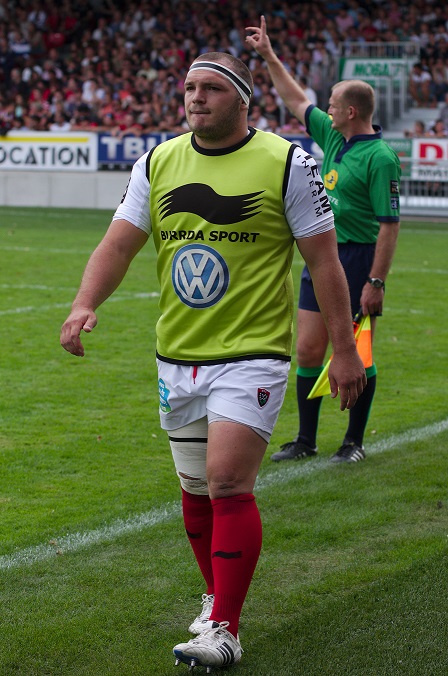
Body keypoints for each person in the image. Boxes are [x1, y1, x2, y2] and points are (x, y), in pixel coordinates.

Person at [60, 51, 366, 671]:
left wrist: (341, 348)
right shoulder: (159, 160)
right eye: (189, 88)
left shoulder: (287, 162)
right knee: (195, 491)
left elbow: (324, 262)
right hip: (178, 352)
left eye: (210, 89)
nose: (195, 98)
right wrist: (84, 303)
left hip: (251, 353)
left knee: (227, 482)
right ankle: (216, 598)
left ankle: (223, 627)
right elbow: (119, 243)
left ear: (242, 99)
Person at [246, 17, 401, 464]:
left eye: (333, 104)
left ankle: (353, 442)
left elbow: (389, 225)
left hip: (358, 259)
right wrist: (270, 56)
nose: (326, 109)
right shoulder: (334, 137)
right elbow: (297, 101)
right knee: (309, 348)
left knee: (356, 351)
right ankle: (306, 440)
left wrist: (377, 281)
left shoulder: (381, 158)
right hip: (323, 254)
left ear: (352, 111)